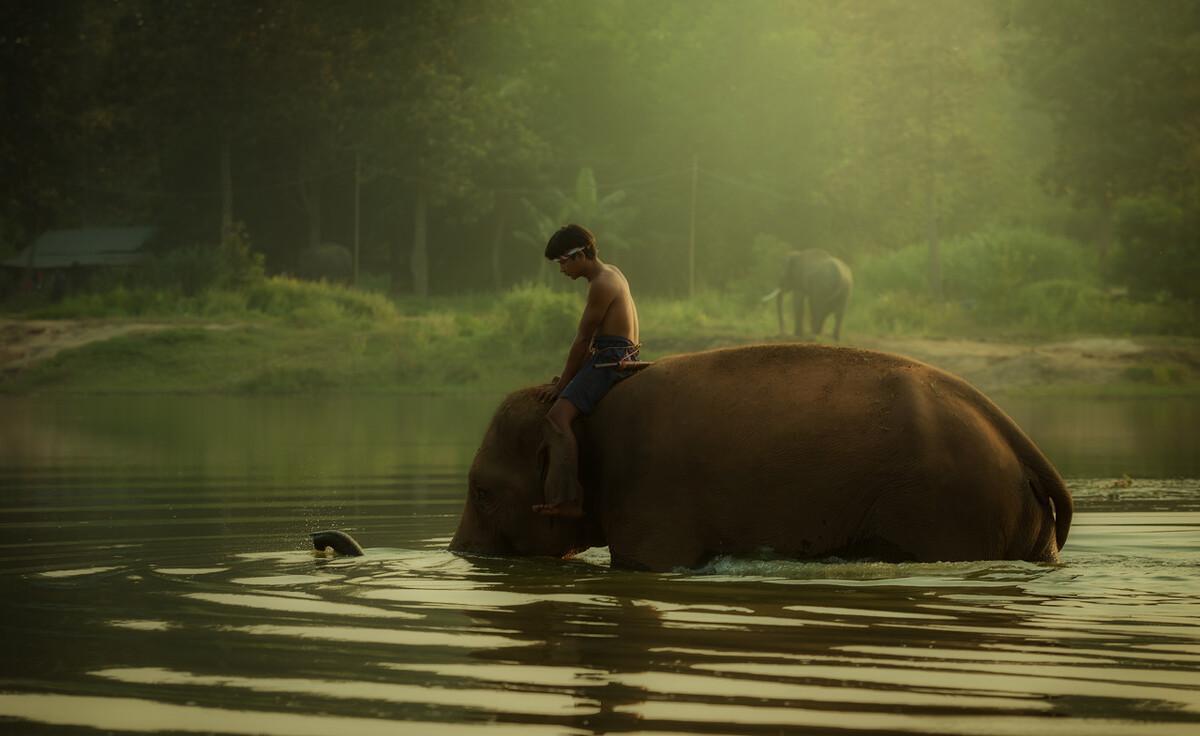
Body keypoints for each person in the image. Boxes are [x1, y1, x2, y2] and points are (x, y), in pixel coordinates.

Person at [533, 224, 640, 518]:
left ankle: (569, 501)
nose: (561, 269)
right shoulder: (612, 272)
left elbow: (582, 340)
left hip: (609, 357)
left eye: (562, 262)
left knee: (556, 418)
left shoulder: (601, 284)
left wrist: (562, 386)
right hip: (617, 351)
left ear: (580, 255)